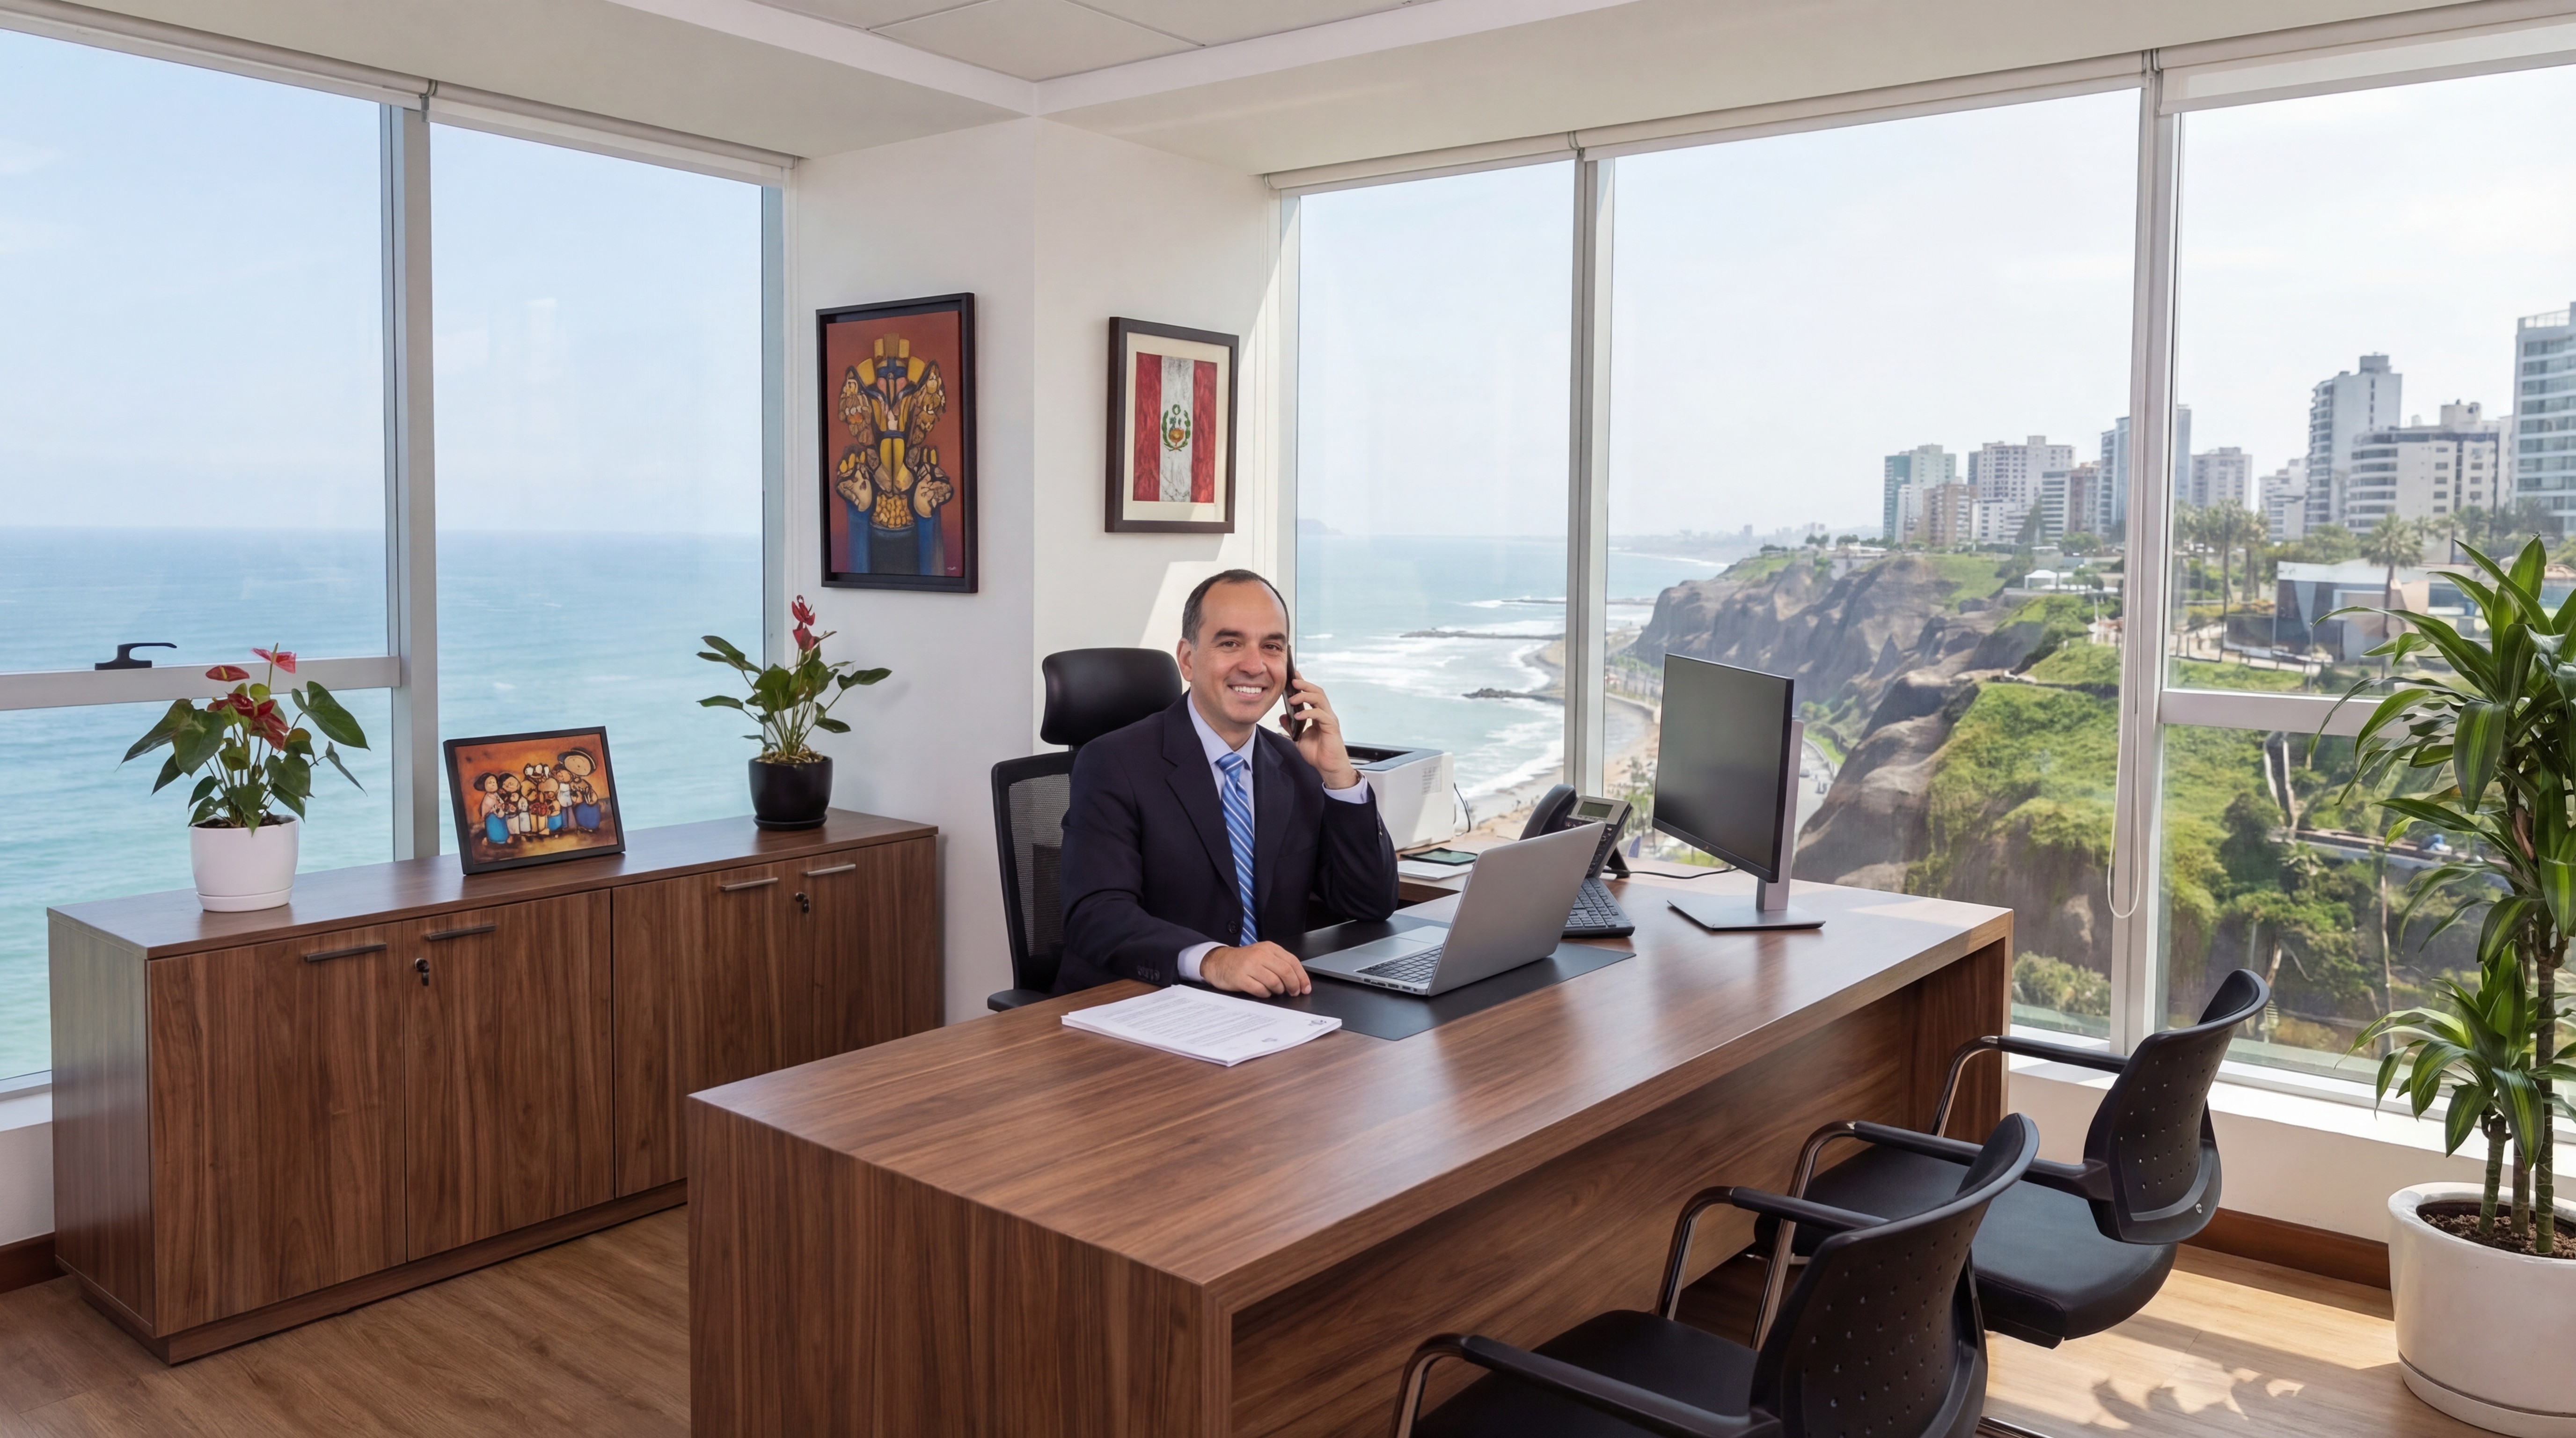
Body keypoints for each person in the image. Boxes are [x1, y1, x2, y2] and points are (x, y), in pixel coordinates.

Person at [1056, 569, 1400, 997]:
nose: (1254, 666)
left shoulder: (1293, 764)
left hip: (1268, 1008)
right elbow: (1096, 915)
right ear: (1187, 659)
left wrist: (1340, 777)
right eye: (1230, 643)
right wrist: (1214, 960)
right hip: (1141, 1005)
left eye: (1271, 647)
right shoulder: (1112, 763)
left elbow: (1369, 904)